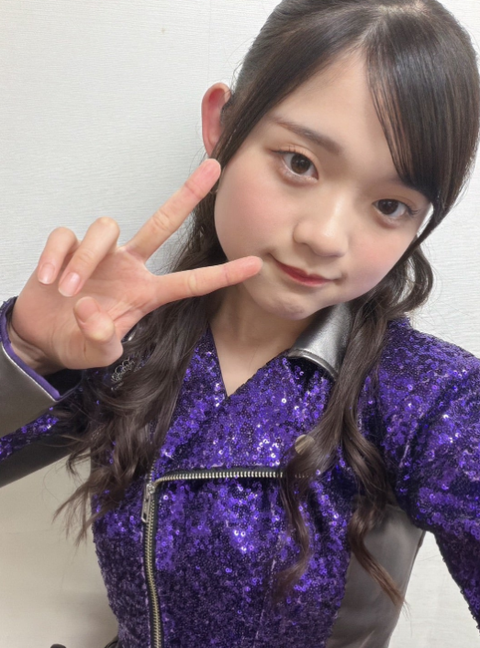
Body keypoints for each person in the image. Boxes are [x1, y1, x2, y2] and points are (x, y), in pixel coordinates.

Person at [1, 0, 479, 646]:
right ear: (224, 126)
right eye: (300, 162)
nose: (325, 236)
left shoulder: (430, 397)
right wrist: (28, 352)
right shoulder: (122, 342)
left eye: (391, 205)